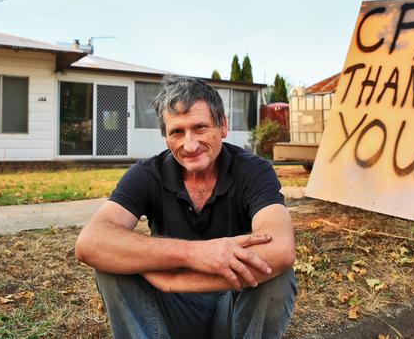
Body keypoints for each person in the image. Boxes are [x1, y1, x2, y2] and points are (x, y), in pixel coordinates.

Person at [75, 75, 297, 339]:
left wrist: (175, 280)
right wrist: (195, 254)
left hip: (234, 305)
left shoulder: (253, 169)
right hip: (169, 314)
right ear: (165, 137)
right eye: (177, 132)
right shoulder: (147, 173)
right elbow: (90, 242)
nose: (189, 145)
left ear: (222, 126)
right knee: (111, 265)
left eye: (200, 128)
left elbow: (281, 249)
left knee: (276, 276)